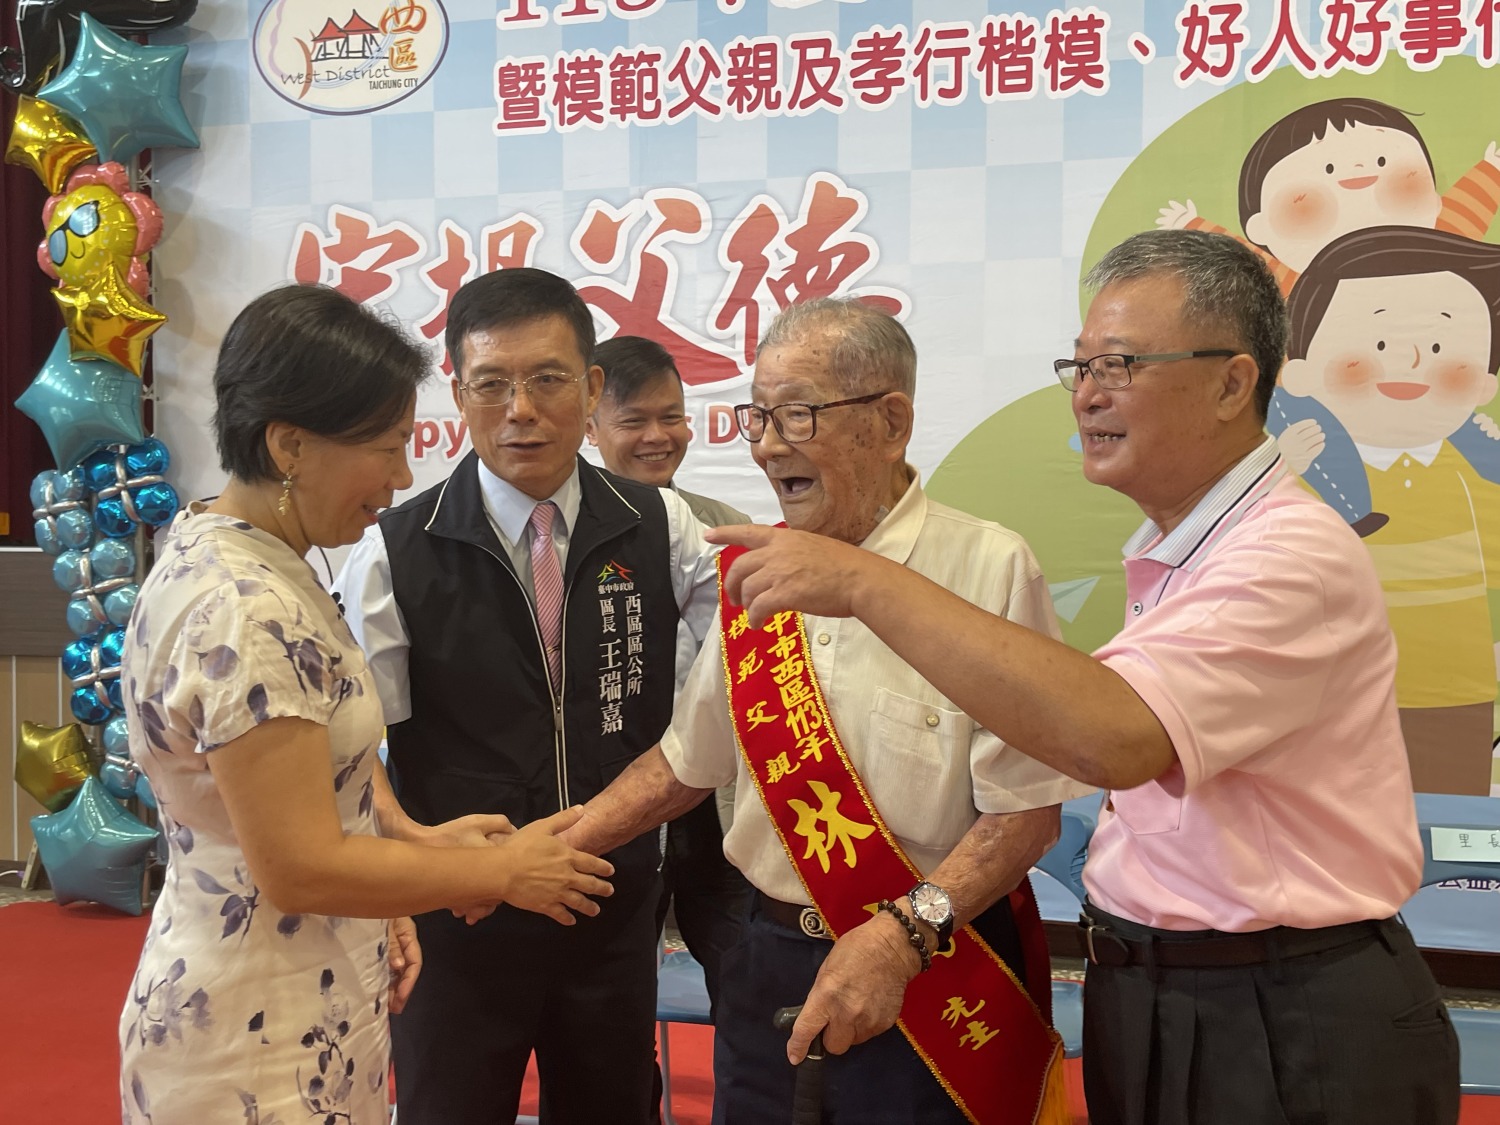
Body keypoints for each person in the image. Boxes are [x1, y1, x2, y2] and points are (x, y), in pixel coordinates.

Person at [708, 230, 1462, 1125]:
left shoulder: (1286, 554)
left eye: (1121, 365)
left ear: (1233, 382)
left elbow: (1113, 738)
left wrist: (864, 583)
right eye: (1082, 366)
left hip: (1283, 1015)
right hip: (1166, 995)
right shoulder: (1182, 551)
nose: (1089, 394)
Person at [566, 297, 1091, 1125]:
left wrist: (901, 937)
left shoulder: (987, 568)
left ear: (891, 422)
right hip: (764, 960)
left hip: (932, 966)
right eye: (758, 416)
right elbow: (683, 763)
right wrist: (552, 846)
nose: (769, 444)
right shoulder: (757, 570)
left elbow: (1025, 816)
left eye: (799, 415)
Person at [117, 285, 614, 1125]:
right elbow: (300, 864)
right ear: (290, 445)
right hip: (254, 1031)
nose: (401, 476)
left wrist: (411, 842)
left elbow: (300, 780)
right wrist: (502, 871)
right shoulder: (246, 605)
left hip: (295, 991)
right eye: (386, 448)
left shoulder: (249, 556)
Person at [334, 269, 721, 1125]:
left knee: (613, 1107)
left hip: (608, 900)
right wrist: (444, 868)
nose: (521, 410)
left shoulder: (661, 525)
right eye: (492, 384)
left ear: (590, 387)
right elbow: (359, 750)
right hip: (463, 913)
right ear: (457, 393)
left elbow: (734, 670)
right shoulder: (394, 550)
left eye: (547, 379)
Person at [1158, 97, 1500, 533]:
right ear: (1263, 227)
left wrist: (1490, 172)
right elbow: (1240, 259)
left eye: (1385, 164)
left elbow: (1467, 211)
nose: (1359, 176)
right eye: (1322, 179)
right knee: (1310, 434)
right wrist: (1194, 227)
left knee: (1450, 406)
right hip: (1312, 390)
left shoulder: (1440, 252)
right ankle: (1352, 511)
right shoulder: (1287, 280)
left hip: (1426, 383)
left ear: (1432, 199)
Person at [1281, 225, 1500, 795]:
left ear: (1486, 381)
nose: (1408, 359)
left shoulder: (1475, 472)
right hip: (1328, 694)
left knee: (1451, 826)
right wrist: (1279, 474)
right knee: (1329, 823)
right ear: (1298, 373)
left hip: (1455, 692)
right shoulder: (1301, 476)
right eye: (1377, 344)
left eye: (1440, 349)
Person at [587, 333, 752, 1011]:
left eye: (672, 417)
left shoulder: (727, 530)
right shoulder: (563, 542)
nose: (658, 437)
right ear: (591, 427)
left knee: (745, 980)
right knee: (612, 1000)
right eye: (634, 421)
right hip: (617, 797)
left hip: (719, 800)